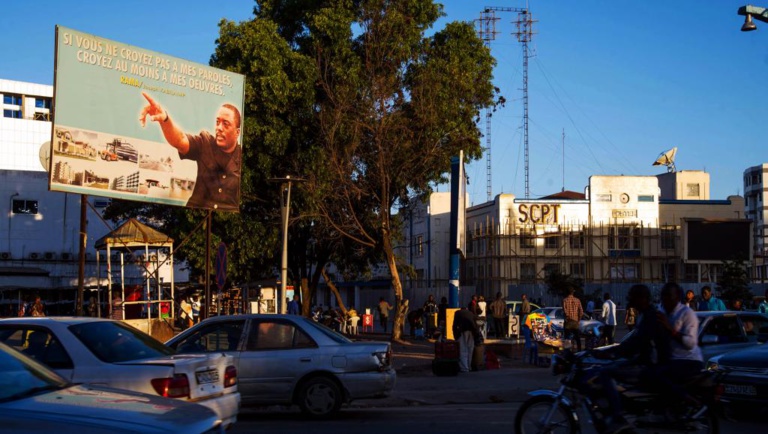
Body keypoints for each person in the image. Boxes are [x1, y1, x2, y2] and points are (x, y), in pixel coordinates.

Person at [140, 92, 242, 211]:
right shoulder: (205, 143)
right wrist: (165, 120)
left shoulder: (242, 159)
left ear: (237, 132)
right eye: (217, 122)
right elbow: (180, 140)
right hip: (195, 219)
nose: (219, 128)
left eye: (225, 124)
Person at [452, 307, 482, 373]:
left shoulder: (457, 313)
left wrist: (455, 336)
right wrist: (477, 336)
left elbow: (454, 325)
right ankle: (469, 366)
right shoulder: (471, 313)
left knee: (463, 349)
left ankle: (464, 368)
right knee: (470, 349)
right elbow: (476, 324)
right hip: (472, 331)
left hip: (463, 330)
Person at [562, 287, 583, 351]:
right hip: (575, 321)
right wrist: (578, 320)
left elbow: (565, 311)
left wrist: (567, 317)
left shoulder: (565, 300)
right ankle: (579, 350)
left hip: (568, 321)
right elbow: (581, 311)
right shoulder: (577, 300)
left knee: (567, 338)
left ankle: (567, 351)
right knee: (577, 337)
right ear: (573, 292)